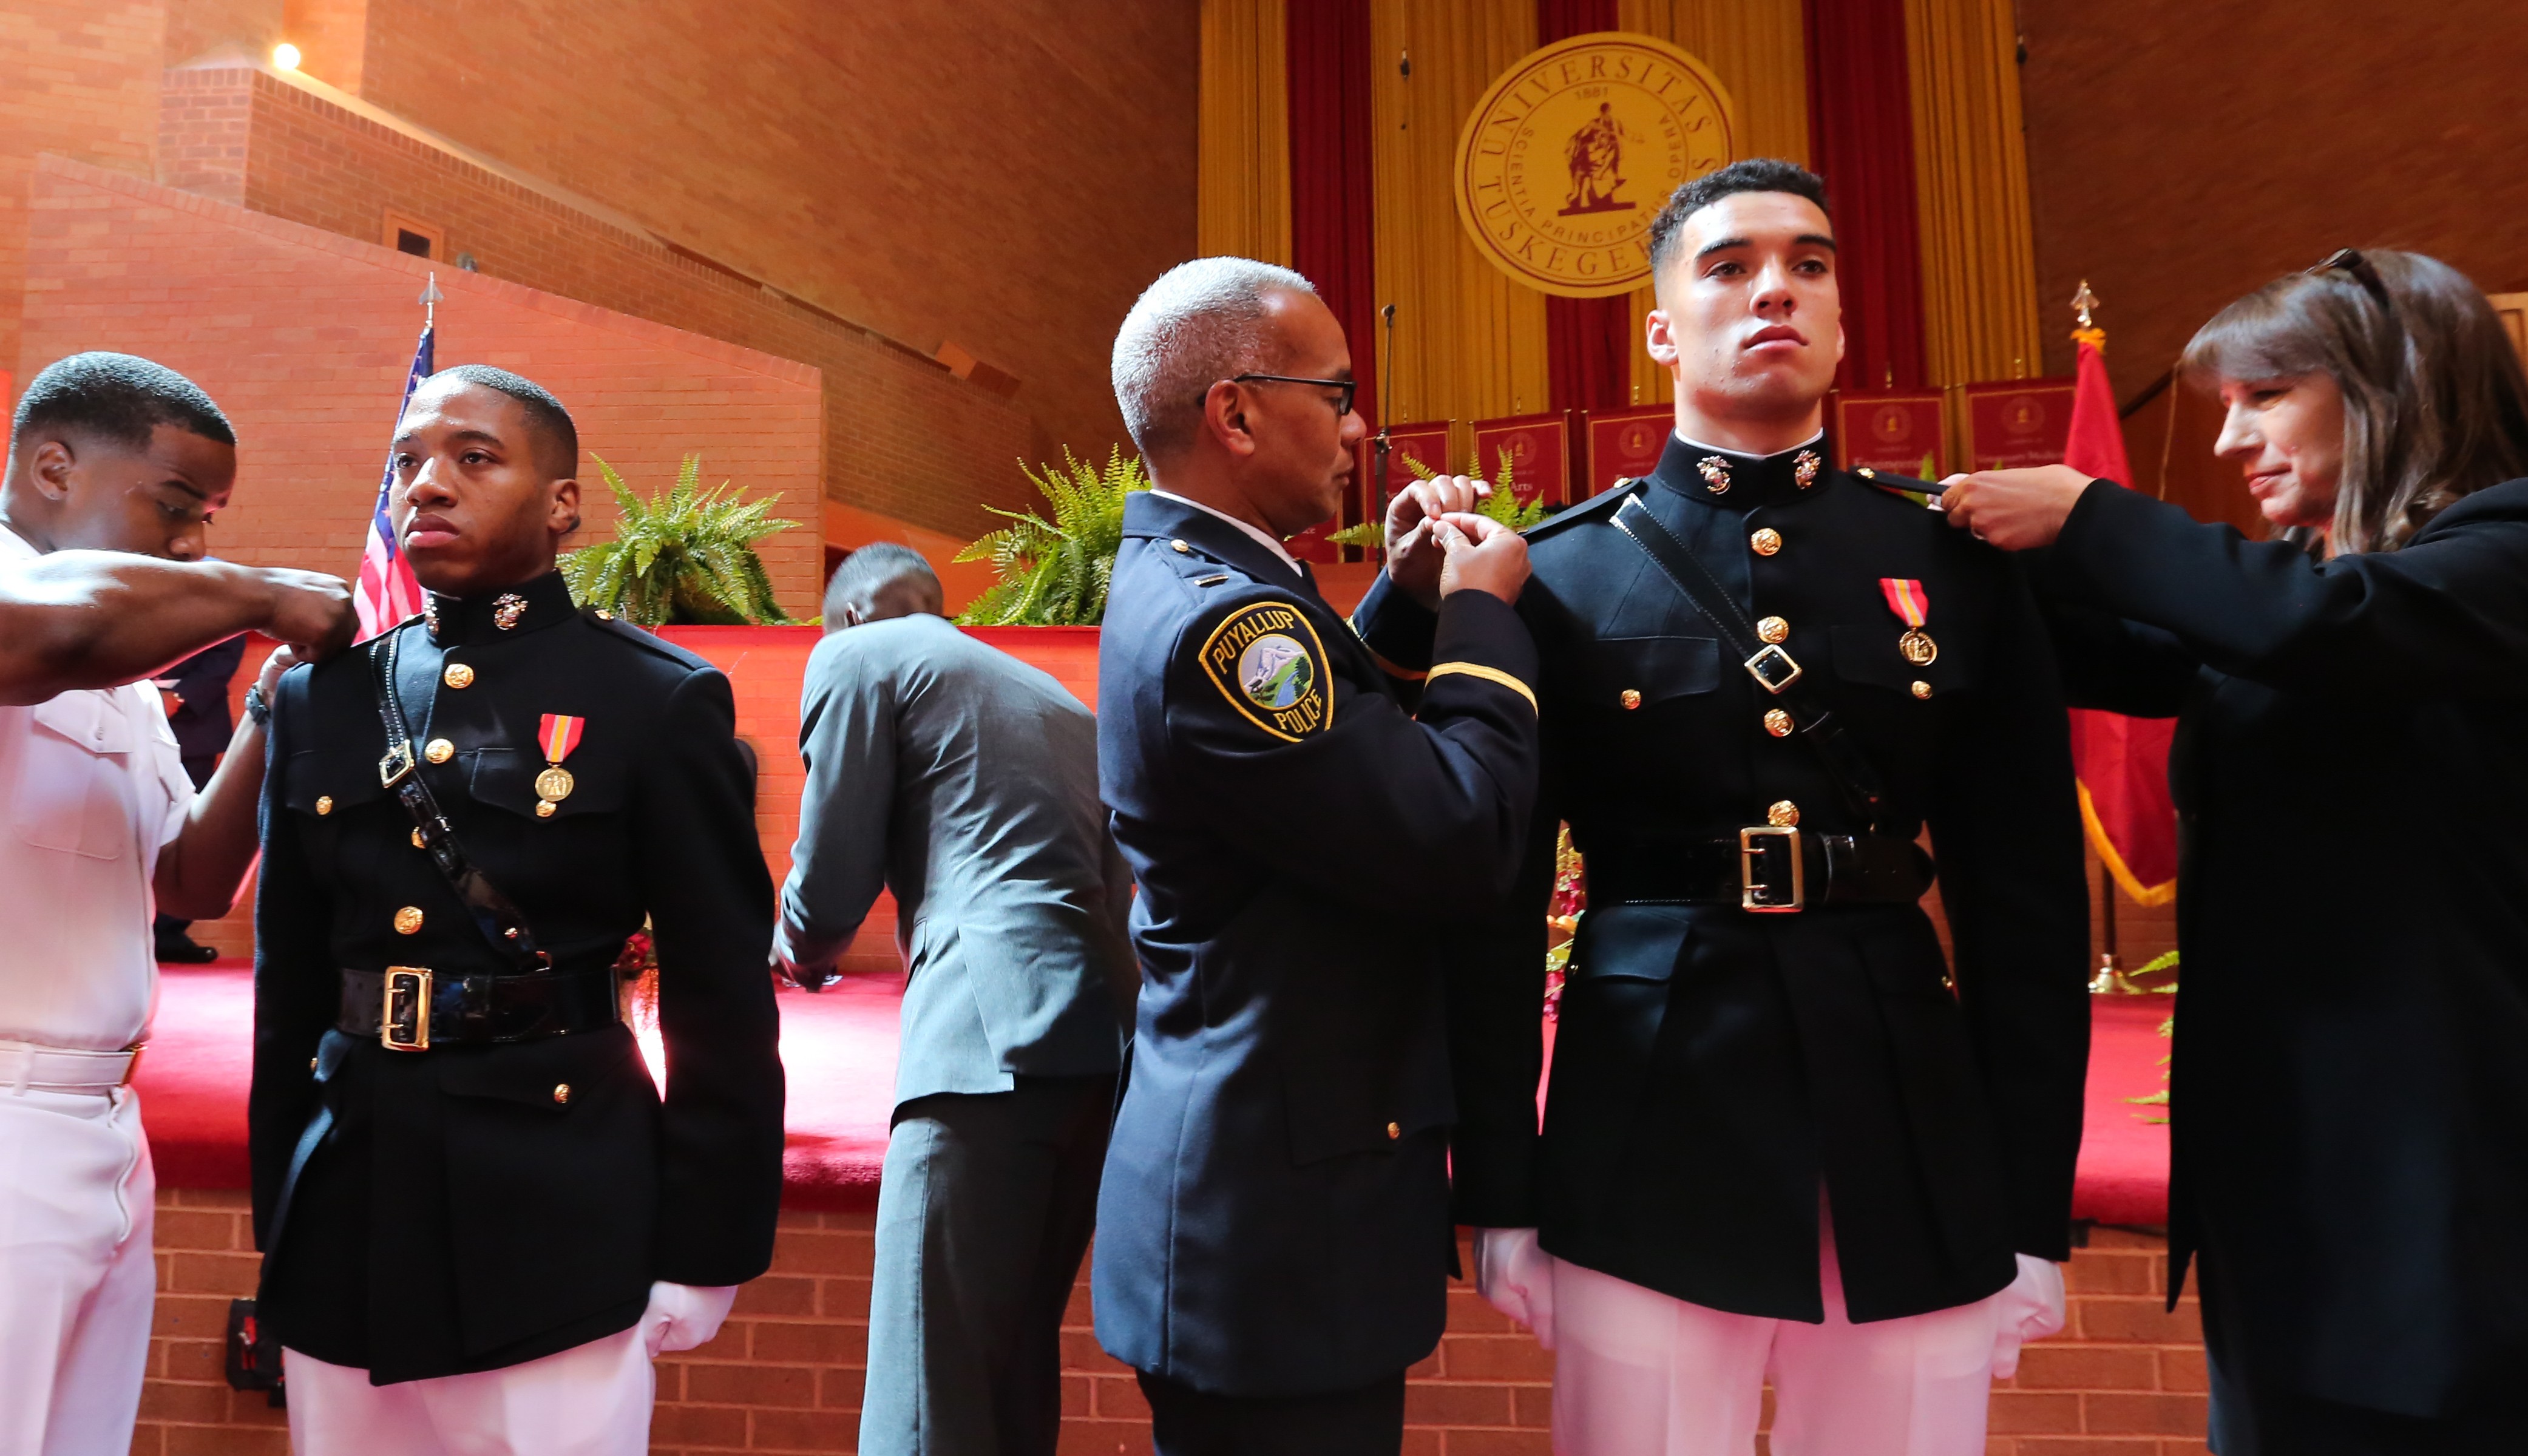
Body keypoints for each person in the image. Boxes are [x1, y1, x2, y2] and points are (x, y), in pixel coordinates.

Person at [1350, 158, 2088, 1456]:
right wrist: (1503, 1188)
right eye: (1731, 267)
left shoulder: (1954, 564)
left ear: (1845, 323)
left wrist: (2029, 1203)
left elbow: (2025, 907)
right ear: (1659, 329)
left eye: (1809, 267)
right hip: (1645, 1118)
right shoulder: (1563, 572)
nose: (1775, 293)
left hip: (1906, 1128)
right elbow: (1494, 907)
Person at [1940, 248, 2528, 1454]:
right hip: (2297, 1192)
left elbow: (2329, 630)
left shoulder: (2505, 547)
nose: (2227, 443)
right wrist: (1903, 555)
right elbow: (2133, 643)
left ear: (2386, 386)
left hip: (2453, 1200)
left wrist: (2090, 513)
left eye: (2264, 396)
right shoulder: (2310, 588)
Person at [248, 364, 785, 1455]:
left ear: (562, 503)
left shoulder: (653, 698)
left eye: (473, 457)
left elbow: (722, 988)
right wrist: (283, 1199)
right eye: (407, 462)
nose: (426, 485)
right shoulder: (324, 697)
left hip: (559, 1206)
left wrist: (706, 1238)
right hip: (350, 1202)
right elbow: (288, 978)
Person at [1095, 257, 1541, 1455]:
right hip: (1277, 1228)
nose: (1357, 428)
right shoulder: (1226, 626)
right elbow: (1457, 835)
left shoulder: (1217, 588)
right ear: (1233, 412)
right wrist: (1483, 615)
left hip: (1266, 1198)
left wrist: (1401, 596)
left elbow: (1324, 765)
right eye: (1336, 392)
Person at [0, 351, 356, 1456]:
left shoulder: (122, 654)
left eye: (211, 518)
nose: (194, 542)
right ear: (53, 465)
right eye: (176, 508)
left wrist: (269, 709)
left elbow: (188, 881)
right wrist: (255, 591)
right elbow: (38, 636)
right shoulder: (47, 620)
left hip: (102, 1124)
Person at [773, 543, 1136, 1456]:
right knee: (1009, 1365)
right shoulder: (1061, 702)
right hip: (1099, 1048)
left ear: (851, 614)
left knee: (927, 1380)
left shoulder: (860, 653)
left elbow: (832, 874)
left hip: (979, 1036)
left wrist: (792, 950)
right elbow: (1113, 885)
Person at [152, 634, 249, 961]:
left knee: (185, 824)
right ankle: (123, 927)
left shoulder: (218, 585)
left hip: (195, 718)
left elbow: (226, 648)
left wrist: (180, 694)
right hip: (119, 709)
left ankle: (166, 933)